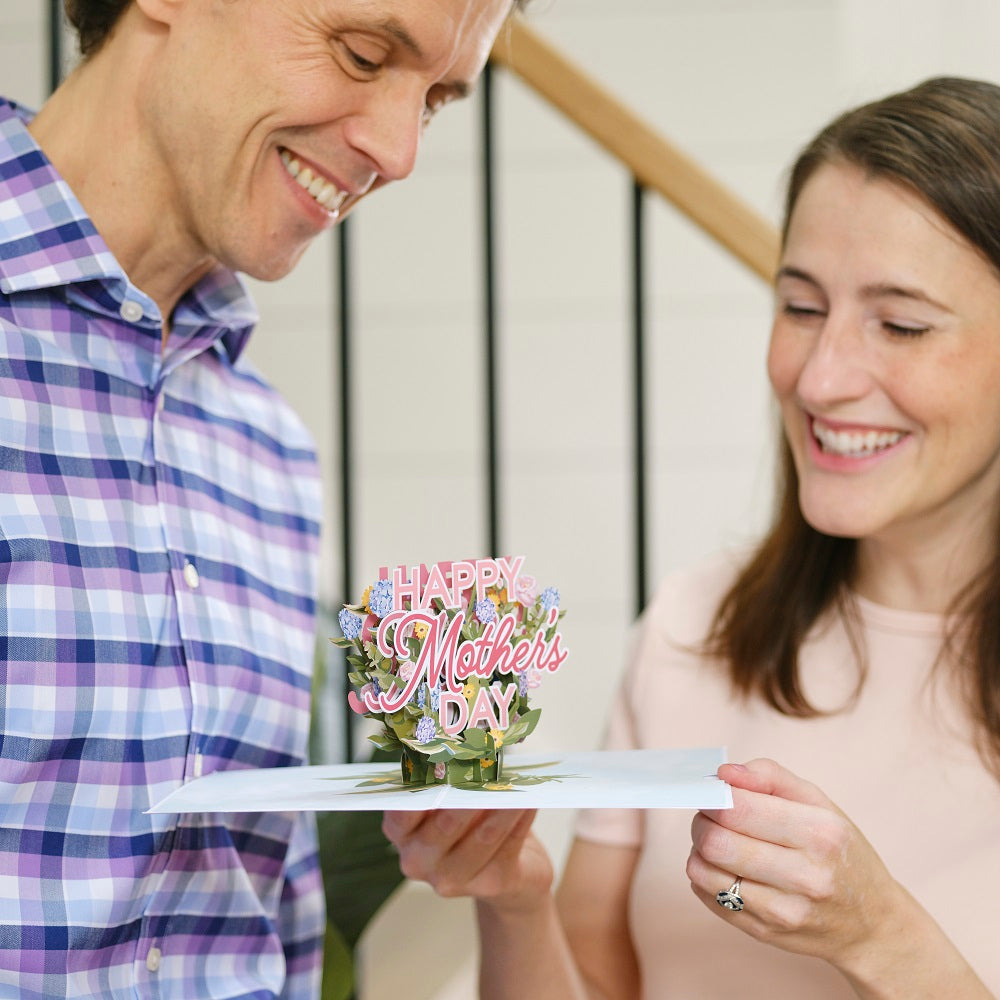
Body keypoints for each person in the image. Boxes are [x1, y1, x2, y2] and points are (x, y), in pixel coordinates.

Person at [384, 75, 1000, 999]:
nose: (822, 377)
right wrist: (514, 901)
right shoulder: (691, 626)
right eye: (800, 306)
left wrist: (882, 937)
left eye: (901, 323)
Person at [0, 0, 515, 997]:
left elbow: (268, 923)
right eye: (364, 53)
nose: (399, 152)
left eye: (437, 100)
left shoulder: (269, 454)